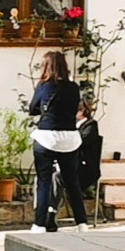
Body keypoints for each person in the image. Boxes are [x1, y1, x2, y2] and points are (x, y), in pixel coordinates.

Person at [30, 52, 87, 231]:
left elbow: (32, 109)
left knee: (44, 180)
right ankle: (82, 222)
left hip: (47, 137)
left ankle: (39, 224)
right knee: (71, 181)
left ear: (46, 66)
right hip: (69, 138)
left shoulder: (44, 86)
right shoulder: (73, 88)